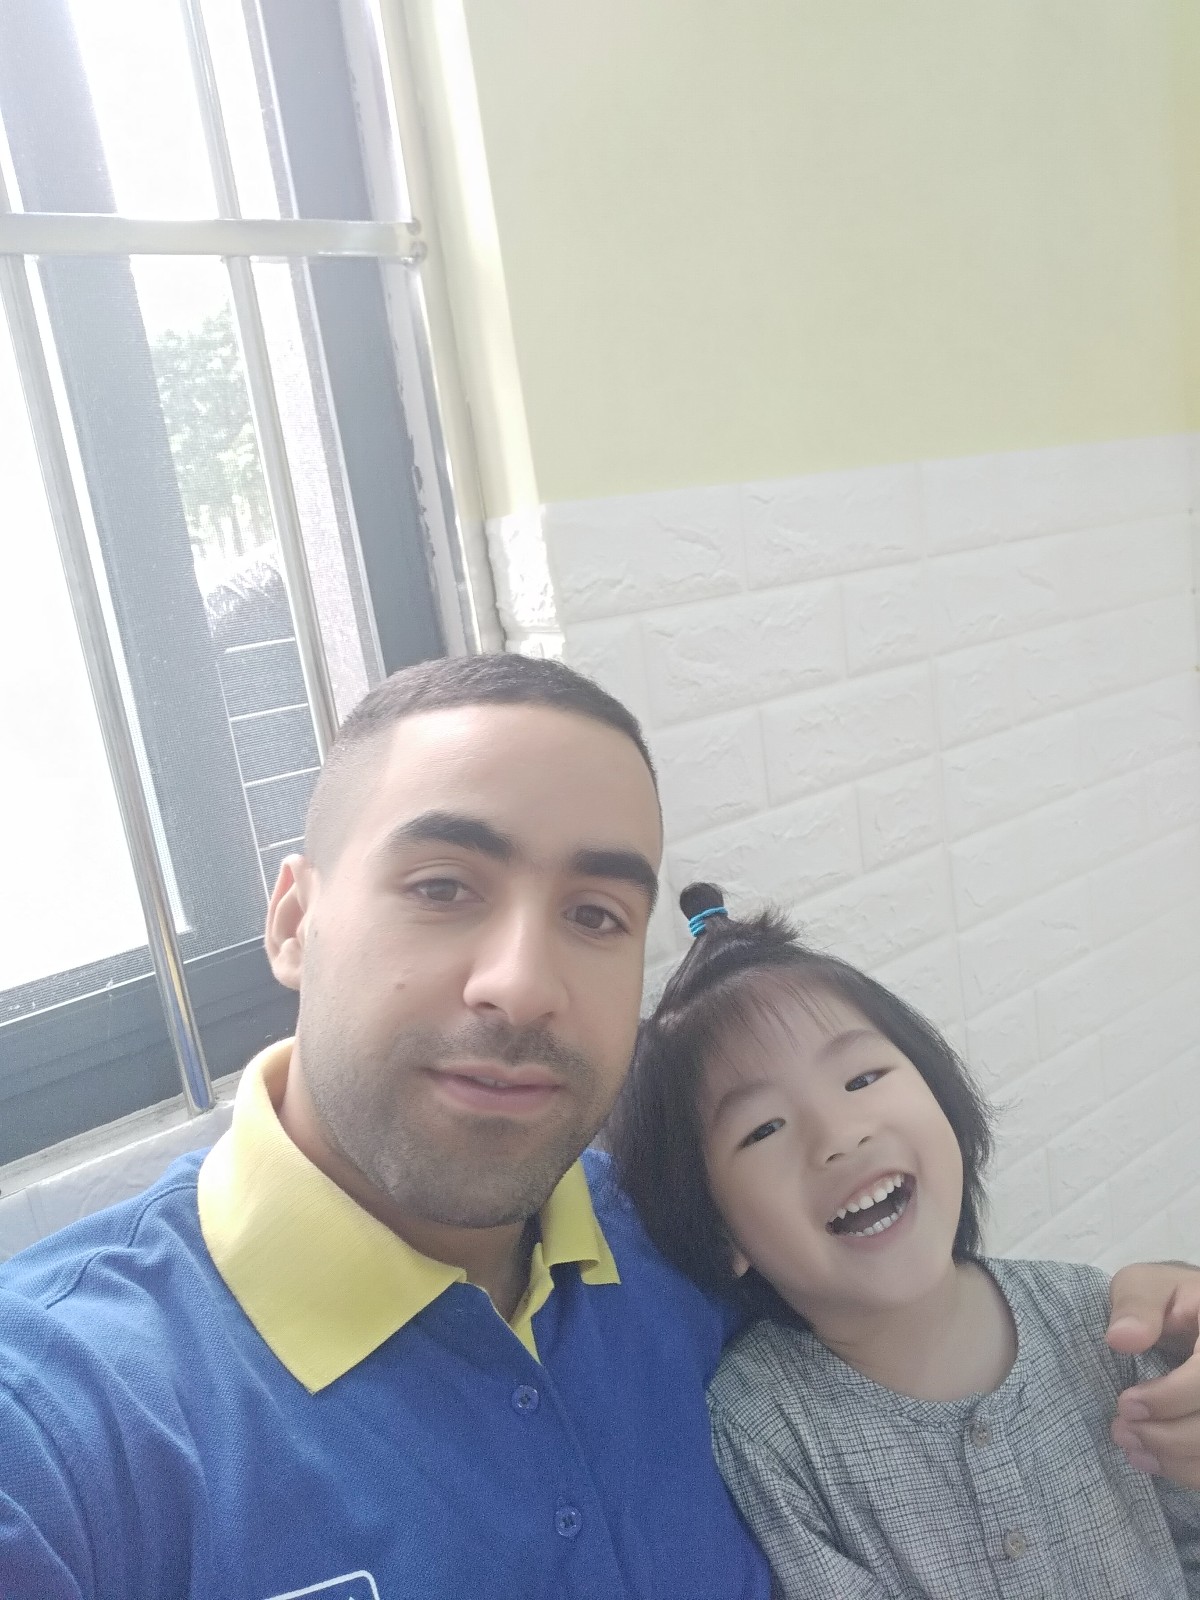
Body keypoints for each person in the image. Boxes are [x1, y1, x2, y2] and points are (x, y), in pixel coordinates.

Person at [0, 656, 1195, 1599]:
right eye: (441, 886)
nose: (523, 984)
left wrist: (1159, 1327)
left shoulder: (680, 1237)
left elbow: (925, 1331)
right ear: (294, 921)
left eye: (595, 914)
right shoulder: (64, 1422)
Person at [609, 881, 1200, 1598]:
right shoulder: (763, 1431)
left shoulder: (1094, 1320)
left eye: (862, 1077)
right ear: (720, 1231)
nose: (840, 1136)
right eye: (763, 1128)